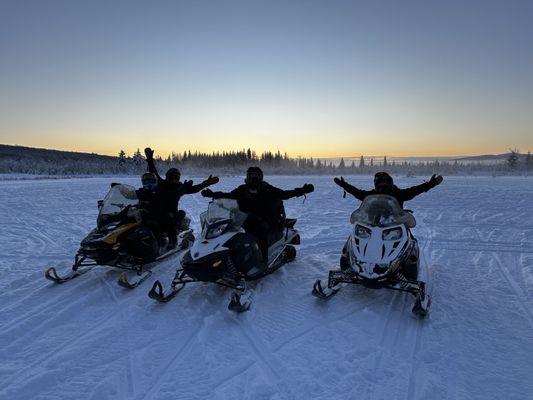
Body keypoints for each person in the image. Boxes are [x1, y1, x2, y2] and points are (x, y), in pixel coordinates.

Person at [201, 166, 314, 263]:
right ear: (248, 177)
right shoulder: (242, 190)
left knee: (260, 231)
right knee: (227, 232)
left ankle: (263, 259)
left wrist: (302, 190)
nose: (254, 178)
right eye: (251, 176)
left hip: (266, 220)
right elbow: (228, 195)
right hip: (245, 219)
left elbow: (285, 194)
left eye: (256, 176)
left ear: (260, 177)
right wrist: (213, 194)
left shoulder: (268, 189)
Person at [144, 147, 219, 247]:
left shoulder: (180, 187)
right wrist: (149, 160)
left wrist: (206, 183)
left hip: (171, 213)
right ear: (167, 176)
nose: (174, 179)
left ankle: (172, 242)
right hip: (157, 210)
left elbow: (195, 188)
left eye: (176, 177)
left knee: (168, 219)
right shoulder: (162, 183)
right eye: (172, 177)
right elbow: (154, 173)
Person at [333, 172, 443, 208]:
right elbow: (357, 192)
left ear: (390, 183)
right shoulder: (372, 195)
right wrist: (344, 185)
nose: (382, 186)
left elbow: (416, 190)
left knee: (409, 240)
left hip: (395, 224)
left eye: (384, 183)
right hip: (373, 225)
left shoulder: (398, 194)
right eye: (380, 184)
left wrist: (431, 184)